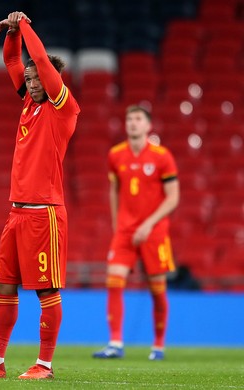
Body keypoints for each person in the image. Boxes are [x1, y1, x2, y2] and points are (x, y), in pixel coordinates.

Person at [0, 11, 80, 380]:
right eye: (27, 79)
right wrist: (11, 34)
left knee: (45, 292)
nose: (30, 81)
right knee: (3, 286)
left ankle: (44, 365)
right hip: (17, 213)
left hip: (45, 214)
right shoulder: (29, 103)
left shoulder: (62, 107)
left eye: (35, 77)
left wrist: (24, 24)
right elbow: (13, 59)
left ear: (51, 79)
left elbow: (38, 59)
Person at [93, 105, 179, 361]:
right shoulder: (115, 155)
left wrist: (148, 224)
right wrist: (116, 223)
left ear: (148, 126)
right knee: (113, 280)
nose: (132, 123)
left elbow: (173, 198)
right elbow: (113, 191)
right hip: (125, 231)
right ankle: (115, 342)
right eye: (129, 118)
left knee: (157, 290)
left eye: (138, 119)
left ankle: (159, 345)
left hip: (154, 231)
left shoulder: (163, 156)